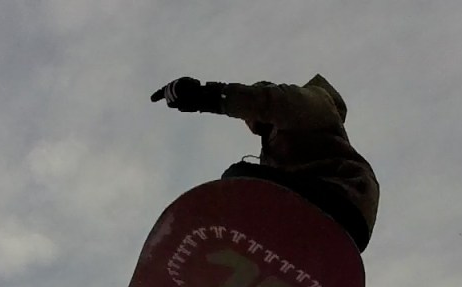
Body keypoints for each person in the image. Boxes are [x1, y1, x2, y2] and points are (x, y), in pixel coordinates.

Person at [150, 75, 379, 253]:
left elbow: (266, 101)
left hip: (340, 199)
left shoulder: (314, 105)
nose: (249, 121)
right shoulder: (275, 150)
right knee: (250, 190)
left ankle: (220, 255)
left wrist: (203, 95)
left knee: (240, 181)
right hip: (349, 231)